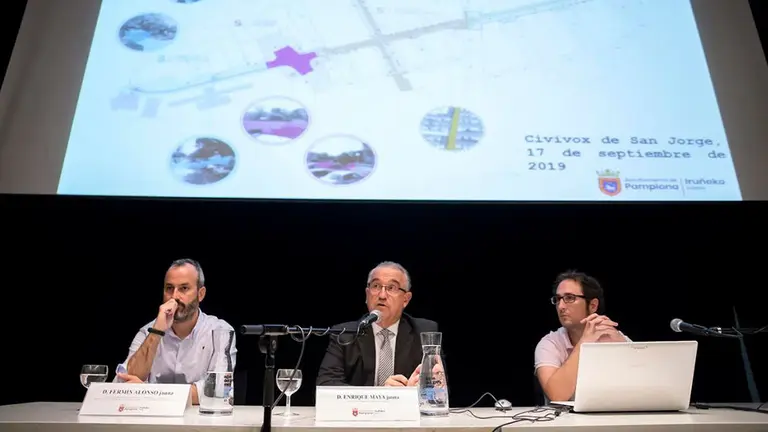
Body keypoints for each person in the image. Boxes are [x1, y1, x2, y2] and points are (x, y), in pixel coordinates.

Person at [114, 258, 237, 405]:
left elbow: (219, 390)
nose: (174, 297)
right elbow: (124, 384)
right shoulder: (148, 331)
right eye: (169, 288)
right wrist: (158, 330)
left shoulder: (220, 331)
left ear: (201, 294)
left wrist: (148, 392)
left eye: (184, 288)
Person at [317, 261, 440, 387]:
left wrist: (414, 391)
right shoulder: (344, 334)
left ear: (405, 299)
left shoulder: (423, 332)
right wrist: (379, 395)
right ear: (367, 294)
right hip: (361, 407)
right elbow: (326, 384)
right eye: (376, 286)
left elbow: (438, 385)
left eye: (391, 288)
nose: (382, 295)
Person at [534, 270, 630, 402]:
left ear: (593, 305)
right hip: (564, 421)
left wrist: (625, 347)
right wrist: (584, 342)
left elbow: (645, 386)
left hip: (610, 418)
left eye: (569, 298)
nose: (561, 306)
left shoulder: (611, 336)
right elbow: (557, 395)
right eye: (557, 299)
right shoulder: (550, 343)